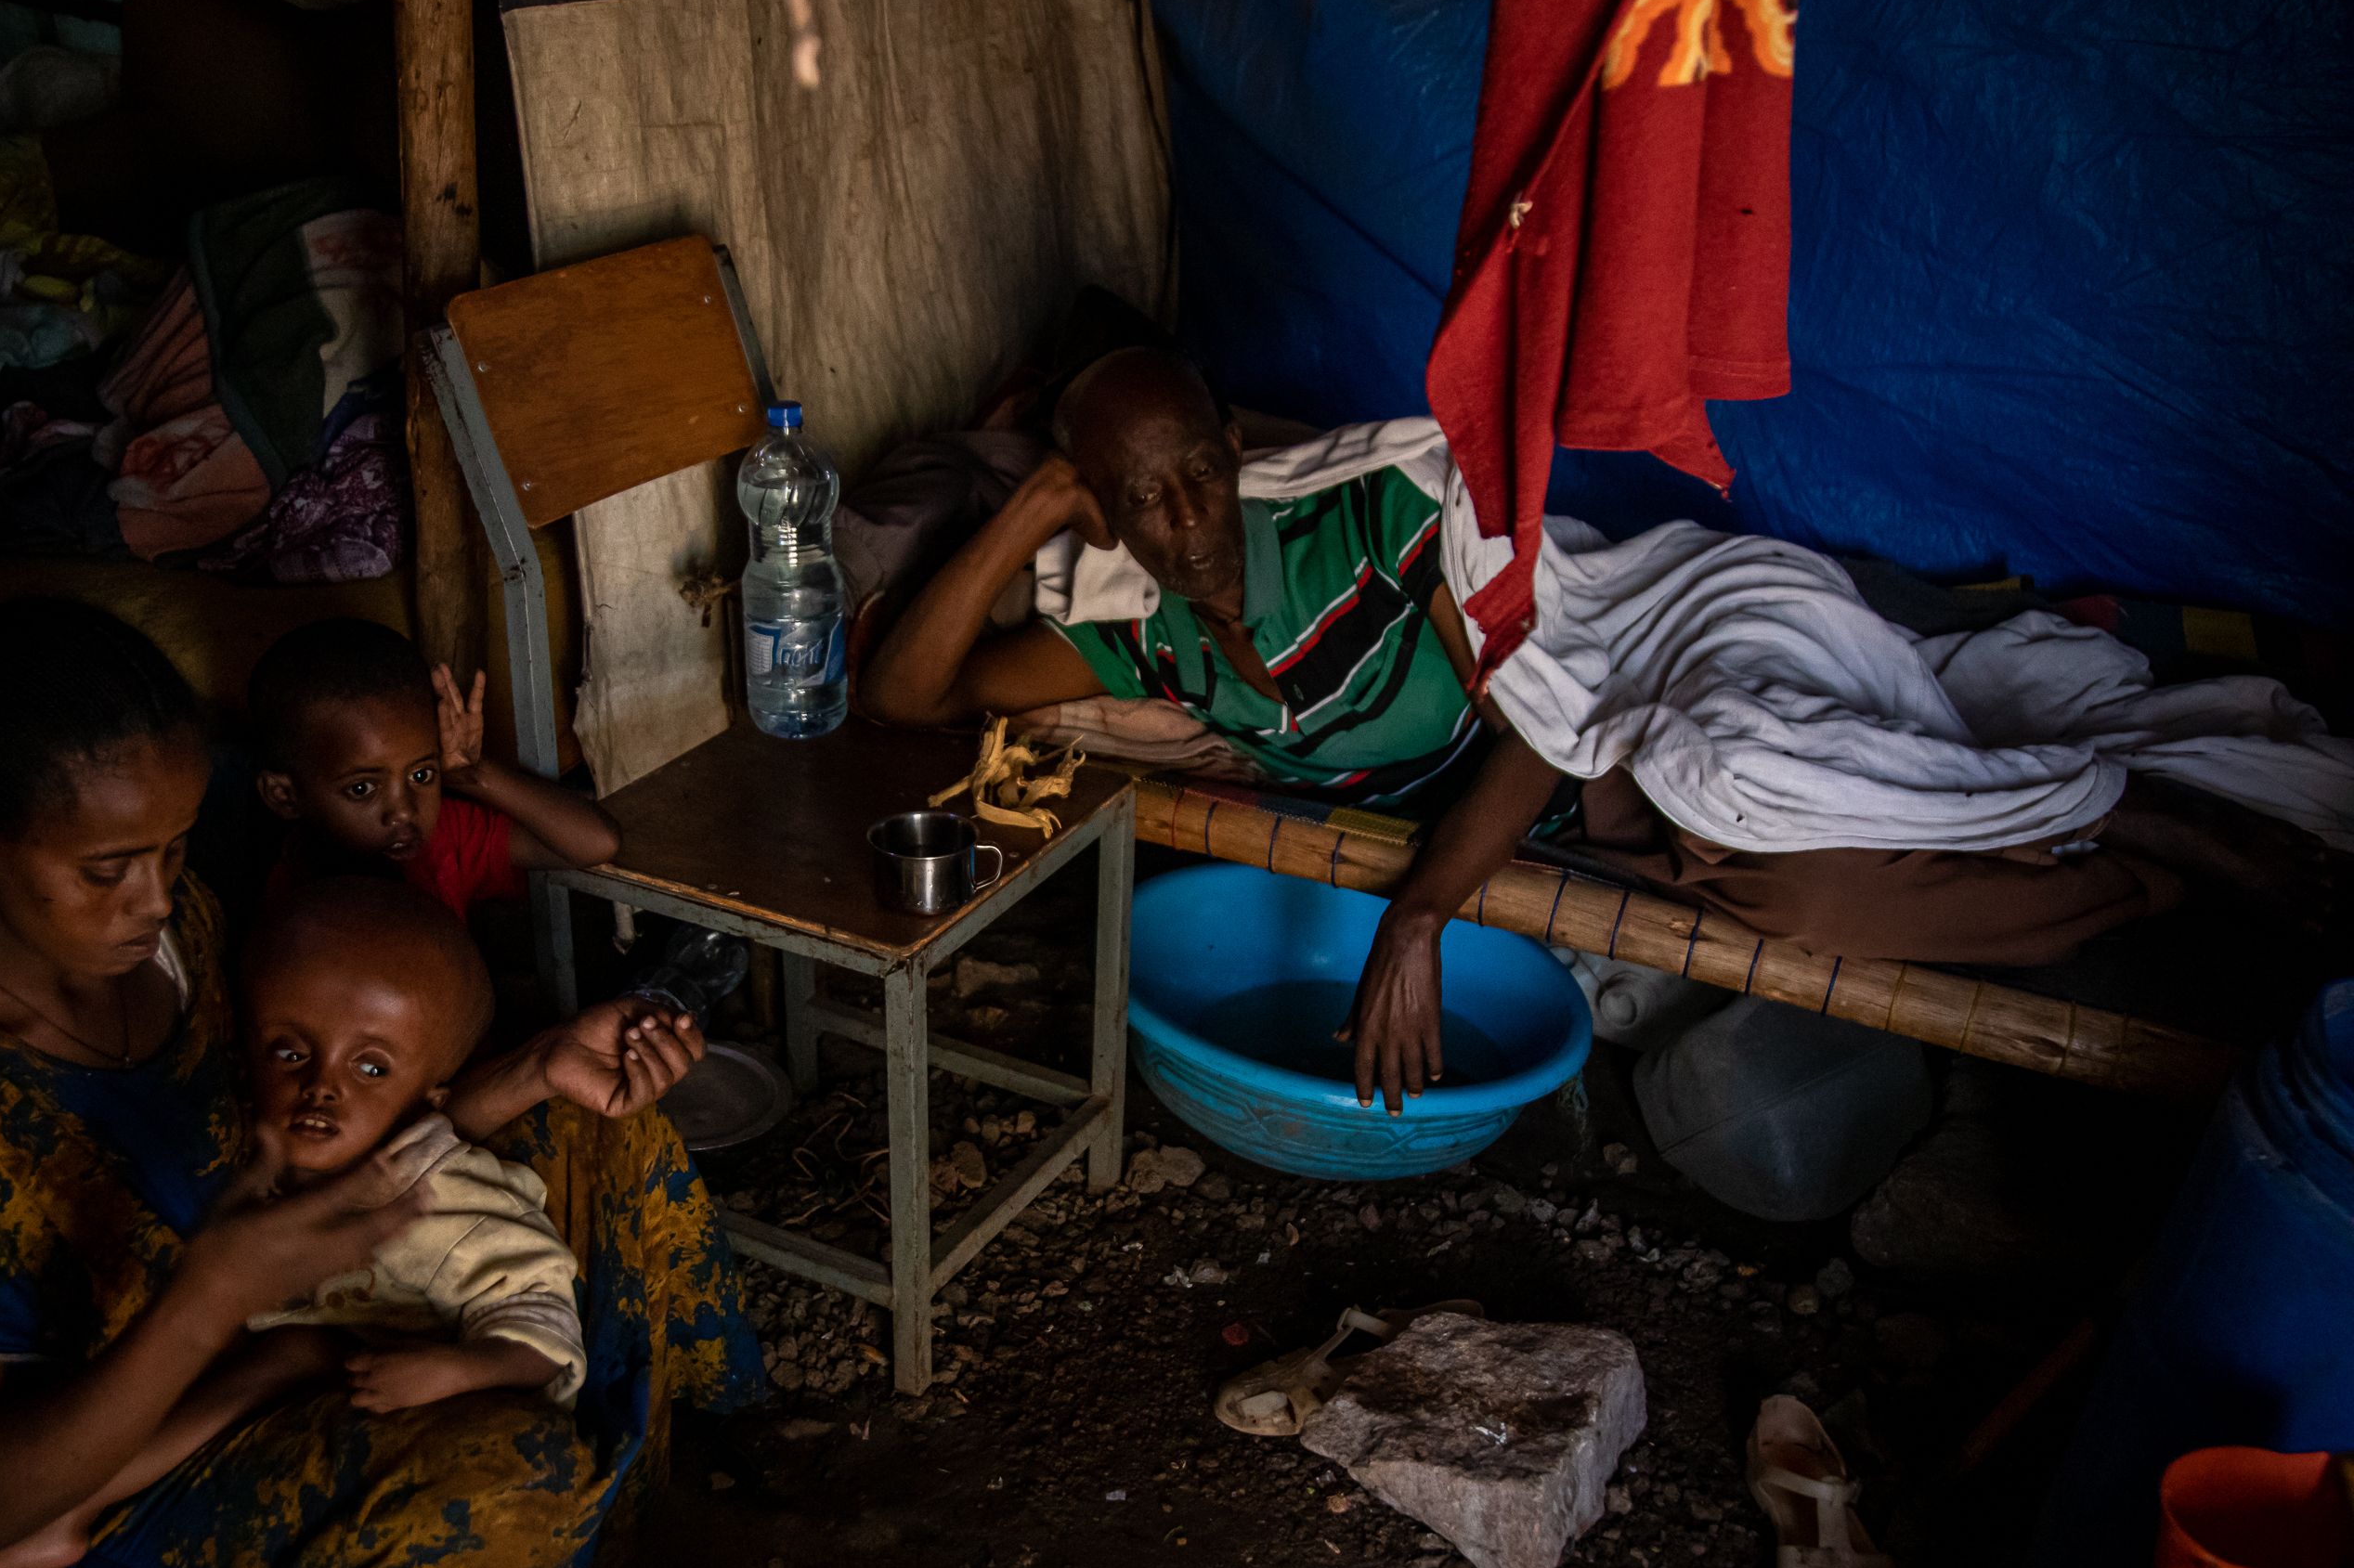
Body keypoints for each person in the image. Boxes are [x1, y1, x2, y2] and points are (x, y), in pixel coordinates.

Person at [0, 599, 757, 1568]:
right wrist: (216, 1298)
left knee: (605, 1123)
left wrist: (535, 1070)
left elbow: (326, 1119)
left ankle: (617, 1497)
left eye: (177, 850)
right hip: (107, 1491)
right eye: (107, 868)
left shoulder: (174, 938)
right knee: (511, 1486)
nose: (152, 897)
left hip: (294, 1323)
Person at [863, 348, 2328, 1118]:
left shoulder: (1375, 517)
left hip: (1663, 648)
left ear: (1234, 453)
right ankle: (2126, 840)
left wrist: (1418, 919)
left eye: (1199, 474)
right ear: (1105, 512)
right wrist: (1040, 505)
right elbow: (908, 698)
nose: (1189, 525)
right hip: (1603, 797)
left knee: (1741, 788)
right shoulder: (1139, 628)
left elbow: (1551, 712)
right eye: (1143, 498)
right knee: (1805, 893)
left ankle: (2097, 808)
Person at [0, 875, 592, 1568]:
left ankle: (60, 1535)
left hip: (399, 1404)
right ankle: (53, 1541)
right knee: (234, 1369)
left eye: (372, 1070)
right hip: (270, 1392)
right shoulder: (257, 1163)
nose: (322, 1085)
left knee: (289, 1358)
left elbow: (544, 1324)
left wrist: (452, 1369)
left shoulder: (447, 1203)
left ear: (429, 1098)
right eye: (291, 1052)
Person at [246, 616, 619, 917]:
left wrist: (473, 775)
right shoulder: (293, 908)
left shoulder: (445, 840)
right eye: (361, 788)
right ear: (284, 796)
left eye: (422, 775)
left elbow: (594, 843)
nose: (404, 811)